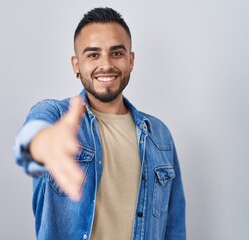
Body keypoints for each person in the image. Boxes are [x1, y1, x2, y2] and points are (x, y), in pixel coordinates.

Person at [13, 7, 186, 240]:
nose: (106, 65)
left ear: (131, 60)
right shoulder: (55, 115)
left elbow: (174, 228)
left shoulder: (159, 135)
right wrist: (43, 145)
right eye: (93, 54)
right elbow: (30, 139)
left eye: (116, 53)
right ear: (76, 64)